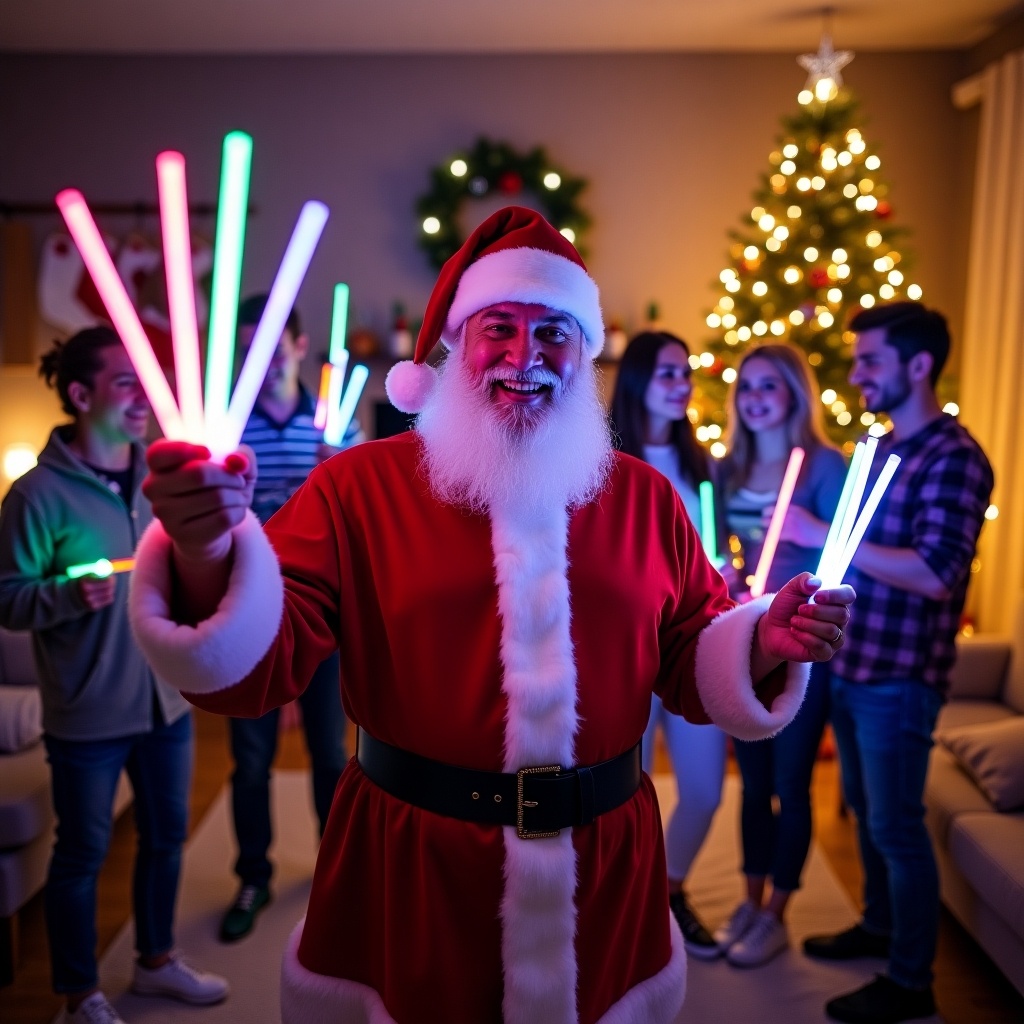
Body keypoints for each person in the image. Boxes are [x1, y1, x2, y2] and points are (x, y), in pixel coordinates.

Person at [128, 207, 854, 1024]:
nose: (525, 356)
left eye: (554, 333)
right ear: (453, 344)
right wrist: (200, 553)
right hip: (414, 863)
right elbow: (262, 661)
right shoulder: (357, 488)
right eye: (498, 328)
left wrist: (762, 642)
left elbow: (689, 651)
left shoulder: (645, 499)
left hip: (604, 866)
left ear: (583, 355)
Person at [0, 327, 228, 1024]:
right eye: (126, 383)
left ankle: (155, 962)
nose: (142, 398)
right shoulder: (35, 496)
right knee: (83, 855)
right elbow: (7, 597)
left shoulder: (163, 477)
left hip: (167, 702)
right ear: (80, 394)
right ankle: (77, 995)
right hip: (88, 714)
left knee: (166, 838)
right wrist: (68, 596)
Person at [799, 303, 993, 1024]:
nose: (857, 376)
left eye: (870, 361)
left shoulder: (955, 457)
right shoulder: (878, 451)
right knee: (867, 819)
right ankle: (878, 928)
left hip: (902, 677)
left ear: (918, 366)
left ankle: (912, 981)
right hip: (853, 665)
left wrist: (826, 534)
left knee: (896, 828)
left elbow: (939, 573)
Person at [217, 295, 362, 943]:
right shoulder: (225, 427)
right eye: (251, 343)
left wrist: (342, 479)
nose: (264, 353)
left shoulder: (333, 422)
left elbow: (362, 513)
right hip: (246, 609)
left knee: (331, 754)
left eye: (275, 341)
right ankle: (254, 873)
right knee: (252, 760)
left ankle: (337, 873)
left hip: (323, 612)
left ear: (301, 346)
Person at [714, 343, 846, 967]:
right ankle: (749, 898)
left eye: (770, 386)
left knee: (791, 784)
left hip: (804, 643)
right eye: (747, 388)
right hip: (748, 634)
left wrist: (808, 533)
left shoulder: (823, 466)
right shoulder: (728, 466)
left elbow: (847, 554)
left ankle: (776, 915)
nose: (755, 398)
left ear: (794, 394)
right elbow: (720, 546)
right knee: (753, 782)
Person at [609, 330, 725, 960]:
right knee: (628, 789)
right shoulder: (599, 459)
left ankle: (668, 889)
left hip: (695, 639)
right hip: (623, 651)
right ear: (637, 381)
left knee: (704, 789)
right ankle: (628, 904)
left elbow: (711, 554)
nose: (682, 385)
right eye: (668, 373)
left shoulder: (703, 463)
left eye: (686, 374)